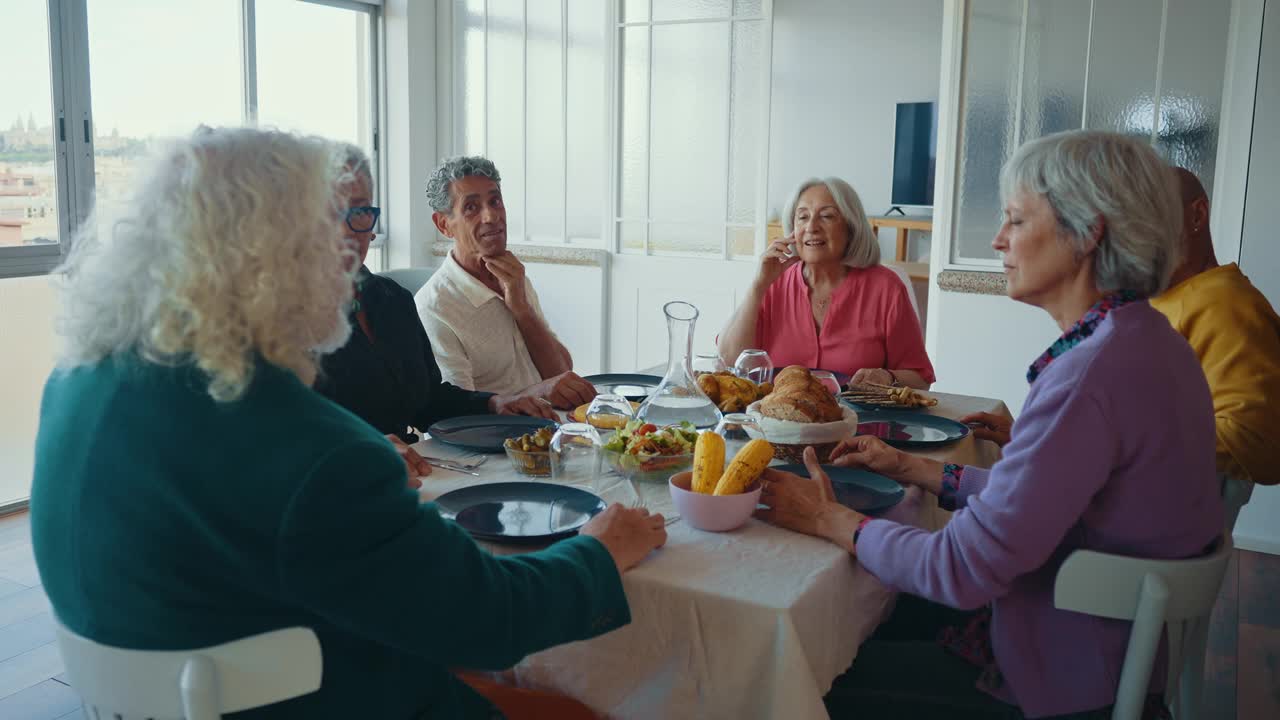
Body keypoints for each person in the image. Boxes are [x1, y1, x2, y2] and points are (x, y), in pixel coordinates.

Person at [30, 127, 666, 720]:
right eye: (335, 226)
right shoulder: (318, 453)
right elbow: (488, 618)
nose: (350, 247)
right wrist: (600, 552)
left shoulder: (77, 382)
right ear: (286, 257)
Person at [756, 131, 1222, 719]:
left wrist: (828, 518)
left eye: (1016, 220)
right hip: (1087, 646)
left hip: (1056, 677)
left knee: (805, 675)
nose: (998, 239)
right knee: (866, 609)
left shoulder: (1090, 376)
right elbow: (1036, 500)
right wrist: (910, 467)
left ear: (1089, 230)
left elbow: (960, 570)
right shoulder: (1143, 341)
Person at [313, 146, 564, 455]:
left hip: (410, 471)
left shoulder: (391, 300)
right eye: (331, 213)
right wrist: (364, 451)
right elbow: (280, 438)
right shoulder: (278, 319)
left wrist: (495, 402)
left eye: (360, 213)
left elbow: (429, 400)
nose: (346, 231)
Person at [1148, 167, 1280, 528]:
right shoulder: (1162, 300)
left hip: (1147, 537)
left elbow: (1258, 444)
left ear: (1196, 215)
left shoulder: (1225, 305)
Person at [718, 177, 935, 389]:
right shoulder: (772, 284)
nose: (812, 226)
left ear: (851, 228)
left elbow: (920, 379)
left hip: (858, 422)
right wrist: (758, 286)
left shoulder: (886, 288)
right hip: (779, 419)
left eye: (827, 216)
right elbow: (728, 359)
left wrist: (888, 377)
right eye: (802, 217)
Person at [416, 155, 596, 406]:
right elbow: (456, 416)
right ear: (444, 224)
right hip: (492, 440)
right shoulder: (433, 308)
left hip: (547, 426)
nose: (491, 216)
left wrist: (521, 307)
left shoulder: (514, 278)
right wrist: (541, 392)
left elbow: (561, 373)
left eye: (495, 201)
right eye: (471, 207)